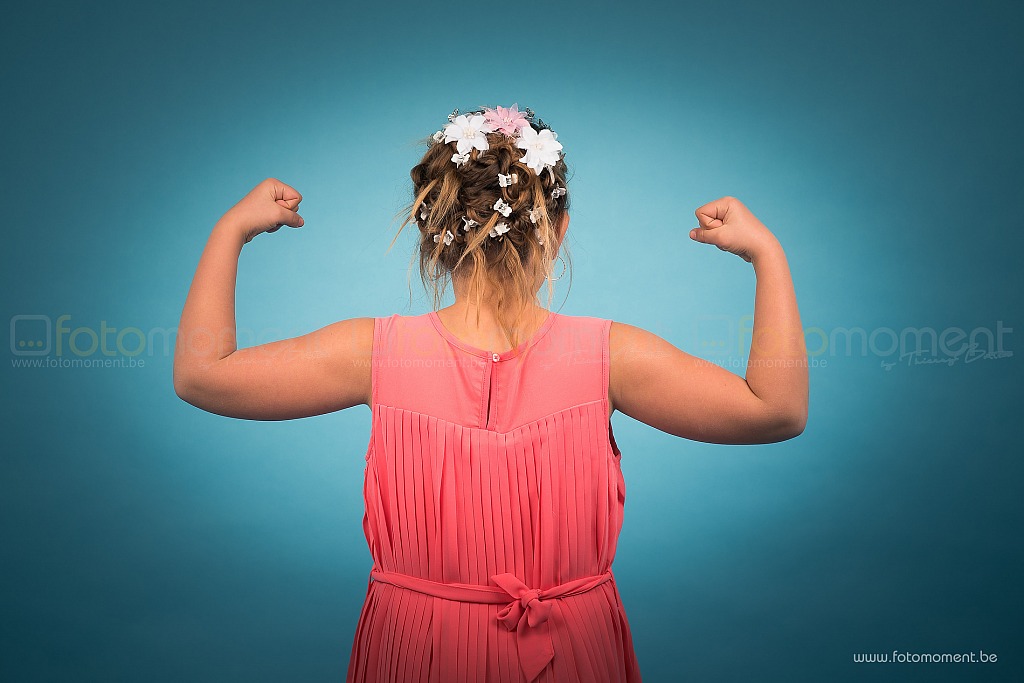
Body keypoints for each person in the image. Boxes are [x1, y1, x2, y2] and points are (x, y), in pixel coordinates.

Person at [173, 104, 808, 683]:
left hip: (416, 657)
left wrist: (231, 230)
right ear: (558, 230)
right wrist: (767, 255)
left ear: (430, 232)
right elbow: (775, 410)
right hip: (572, 654)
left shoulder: (373, 352)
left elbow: (202, 374)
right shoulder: (611, 355)